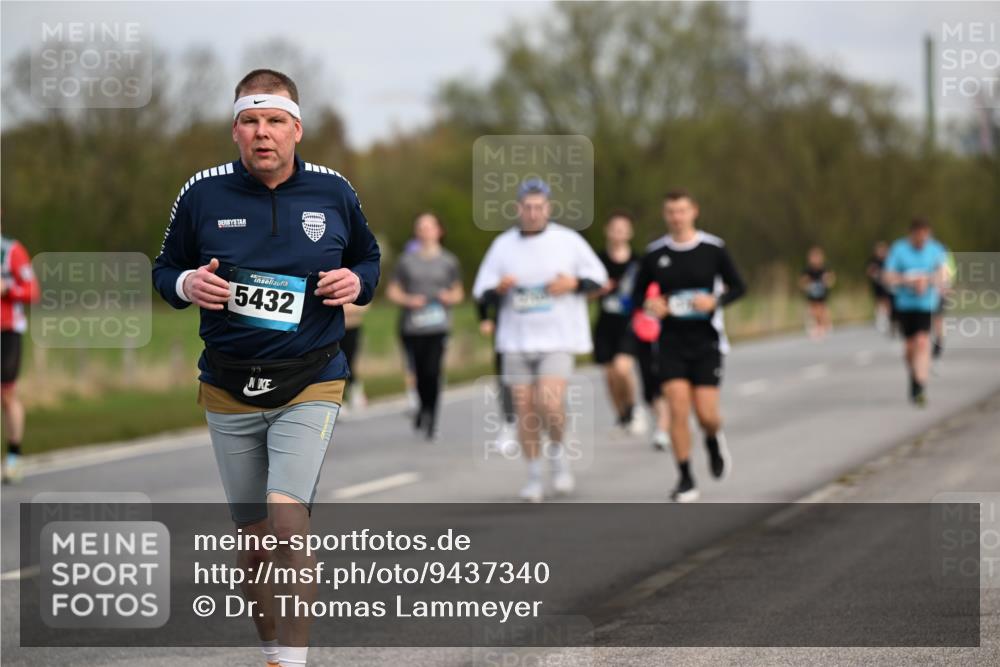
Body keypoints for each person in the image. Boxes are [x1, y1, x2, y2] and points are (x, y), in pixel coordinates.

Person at [151, 69, 381, 667]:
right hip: (228, 385)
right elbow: (163, 270)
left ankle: (294, 661)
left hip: (311, 376)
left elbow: (368, 258)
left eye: (275, 121)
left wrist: (357, 280)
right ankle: (273, 651)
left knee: (287, 518)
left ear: (296, 129)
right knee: (253, 546)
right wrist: (185, 282)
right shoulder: (202, 193)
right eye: (251, 121)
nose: (263, 133)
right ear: (234, 130)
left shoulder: (333, 191)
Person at [472, 178, 607, 502]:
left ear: (548, 208)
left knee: (549, 403)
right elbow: (481, 291)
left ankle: (559, 457)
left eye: (539, 207)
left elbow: (599, 279)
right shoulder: (503, 245)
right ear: (519, 209)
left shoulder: (568, 241)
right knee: (525, 410)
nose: (533, 213)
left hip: (557, 339)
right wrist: (499, 289)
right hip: (516, 341)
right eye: (527, 207)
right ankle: (534, 475)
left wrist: (574, 283)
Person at [631, 189, 746, 503]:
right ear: (664, 214)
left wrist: (715, 300)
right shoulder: (655, 253)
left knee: (706, 414)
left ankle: (712, 438)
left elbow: (739, 287)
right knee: (678, 410)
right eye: (670, 212)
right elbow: (639, 296)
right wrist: (652, 305)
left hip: (706, 340)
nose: (676, 217)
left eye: (681, 211)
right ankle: (685, 476)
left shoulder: (713, 248)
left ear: (694, 211)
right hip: (670, 342)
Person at [386, 213, 463, 440]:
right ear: (416, 232)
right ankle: (422, 407)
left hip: (438, 326)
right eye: (421, 227)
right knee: (418, 373)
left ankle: (431, 416)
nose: (425, 231)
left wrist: (449, 297)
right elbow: (393, 290)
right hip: (412, 326)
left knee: (433, 371)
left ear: (439, 231)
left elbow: (459, 292)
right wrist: (409, 300)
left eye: (429, 227)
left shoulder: (449, 261)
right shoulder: (406, 261)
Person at [882, 218, 948, 407]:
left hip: (926, 304)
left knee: (923, 341)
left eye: (924, 237)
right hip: (904, 305)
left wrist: (927, 280)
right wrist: (907, 280)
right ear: (911, 234)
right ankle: (913, 375)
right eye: (918, 238)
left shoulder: (935, 249)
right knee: (909, 347)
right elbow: (887, 276)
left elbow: (944, 273)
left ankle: (920, 383)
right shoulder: (899, 249)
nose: (921, 241)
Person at [593, 211, 646, 436]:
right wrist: (597, 290)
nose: (619, 234)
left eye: (623, 229)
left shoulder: (638, 262)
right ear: (607, 230)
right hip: (605, 323)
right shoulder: (595, 260)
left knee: (623, 369)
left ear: (630, 233)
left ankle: (633, 408)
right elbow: (582, 290)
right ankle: (621, 415)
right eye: (615, 229)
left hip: (629, 323)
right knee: (610, 375)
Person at [1, 233, 40, 484]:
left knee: (6, 395)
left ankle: (14, 456)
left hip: (7, 332)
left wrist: (7, 289)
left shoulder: (11, 251)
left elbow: (32, 291)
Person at [477, 294, 519, 457]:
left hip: (544, 331)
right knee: (505, 379)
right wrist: (485, 317)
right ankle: (510, 423)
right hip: (507, 331)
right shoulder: (502, 268)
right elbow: (482, 292)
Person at [799, 245, 835, 340]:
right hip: (812, 292)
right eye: (813, 257)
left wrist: (827, 280)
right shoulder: (807, 270)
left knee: (821, 308)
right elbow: (802, 281)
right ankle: (818, 326)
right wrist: (806, 284)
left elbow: (831, 279)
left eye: (817, 257)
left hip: (822, 292)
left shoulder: (824, 269)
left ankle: (823, 326)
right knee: (813, 310)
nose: (815, 259)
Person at [340, 302, 370, 412]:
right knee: (337, 363)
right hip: (335, 328)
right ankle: (339, 399)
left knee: (350, 362)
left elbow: (365, 303)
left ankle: (355, 392)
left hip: (352, 326)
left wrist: (348, 309)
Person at [866, 241, 892, 334]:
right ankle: (879, 319)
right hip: (877, 285)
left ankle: (888, 319)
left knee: (887, 301)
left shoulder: (889, 260)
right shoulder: (874, 261)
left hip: (886, 285)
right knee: (878, 301)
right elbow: (869, 271)